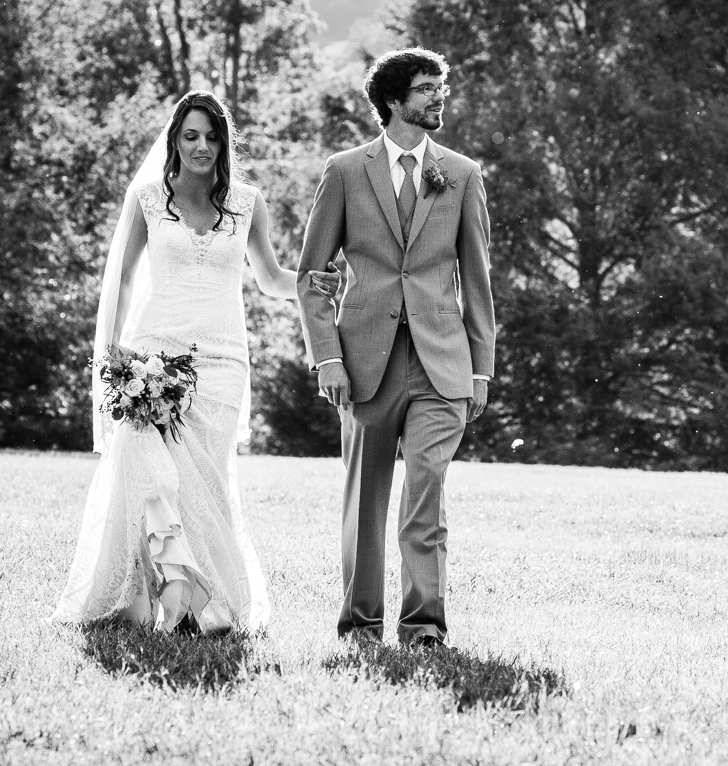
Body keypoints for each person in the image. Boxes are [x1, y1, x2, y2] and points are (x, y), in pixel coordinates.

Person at [53, 91, 339, 635]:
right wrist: (114, 347)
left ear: (224, 144)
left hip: (223, 362)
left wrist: (310, 281)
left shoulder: (247, 204)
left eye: (212, 136)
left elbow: (270, 278)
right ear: (175, 140)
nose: (202, 146)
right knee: (152, 476)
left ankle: (200, 604)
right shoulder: (146, 199)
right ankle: (166, 598)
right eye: (191, 135)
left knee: (202, 484)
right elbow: (125, 277)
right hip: (155, 354)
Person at [296, 48, 496, 648]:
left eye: (442, 86)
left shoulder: (461, 173)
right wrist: (327, 355)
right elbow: (312, 277)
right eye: (427, 88)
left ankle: (424, 626)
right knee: (366, 501)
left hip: (442, 361)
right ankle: (360, 625)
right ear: (393, 101)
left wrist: (481, 369)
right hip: (363, 363)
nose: (440, 97)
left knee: (426, 488)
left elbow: (478, 281)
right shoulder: (346, 171)